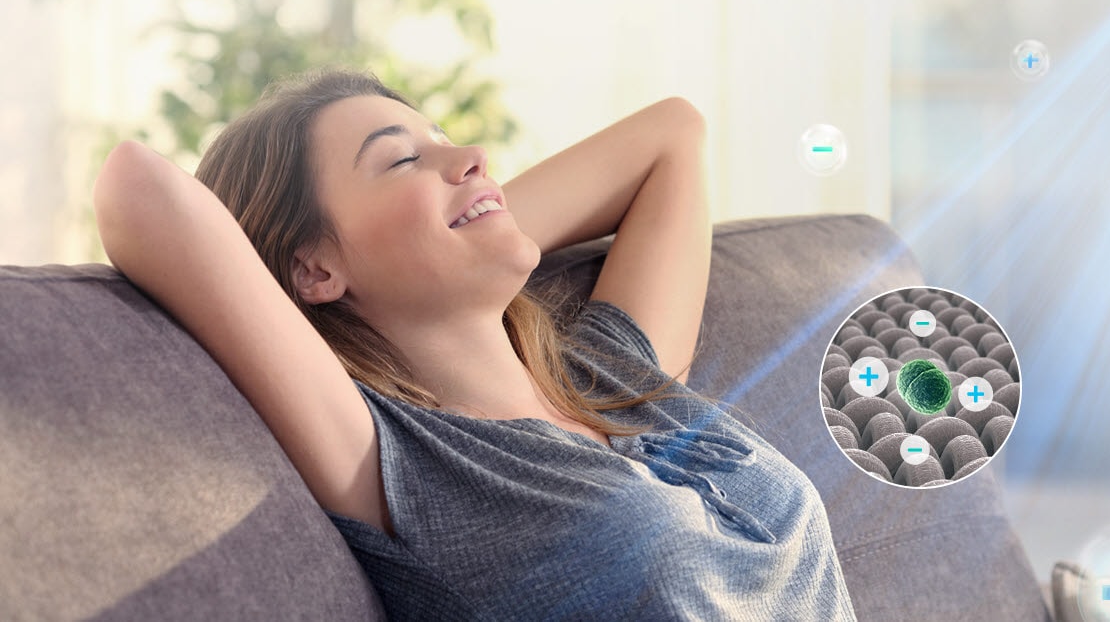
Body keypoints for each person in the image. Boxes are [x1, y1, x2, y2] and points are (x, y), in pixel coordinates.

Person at [91, 66, 857, 621]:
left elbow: (673, 133)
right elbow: (135, 187)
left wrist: (467, 215)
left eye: (447, 141)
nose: (472, 157)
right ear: (313, 269)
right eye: (402, 159)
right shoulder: (401, 458)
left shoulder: (611, 374)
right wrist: (451, 230)